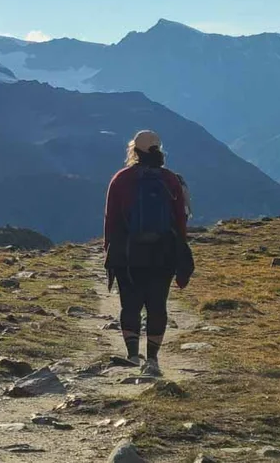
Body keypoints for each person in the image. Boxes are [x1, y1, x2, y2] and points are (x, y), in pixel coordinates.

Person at [104, 130, 188, 377]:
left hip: (128, 252)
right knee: (157, 304)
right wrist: (180, 248)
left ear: (134, 150)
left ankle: (132, 355)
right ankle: (152, 359)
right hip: (163, 251)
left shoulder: (121, 178)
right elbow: (180, 218)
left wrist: (110, 250)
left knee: (130, 304)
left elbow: (111, 218)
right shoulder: (171, 179)